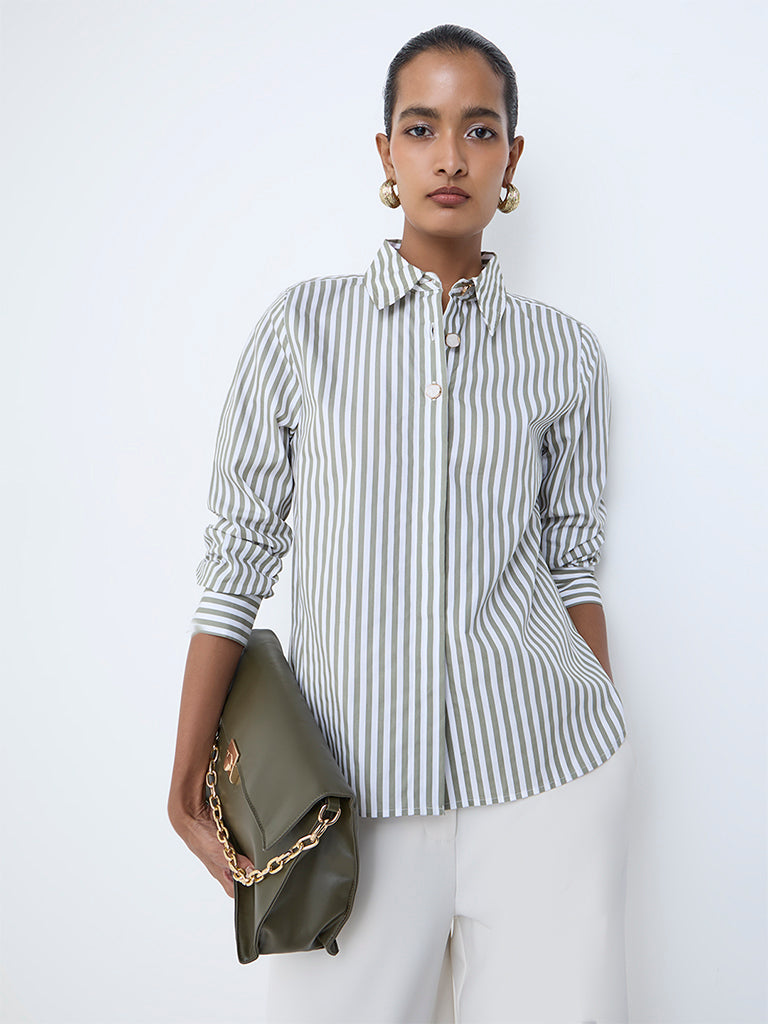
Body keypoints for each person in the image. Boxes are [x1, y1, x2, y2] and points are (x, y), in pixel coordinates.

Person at [168, 22, 636, 1024]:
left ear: (512, 157)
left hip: (545, 783)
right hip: (349, 801)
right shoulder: (301, 331)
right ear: (386, 153)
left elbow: (575, 562)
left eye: (480, 129)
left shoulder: (564, 354)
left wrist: (602, 711)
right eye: (421, 128)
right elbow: (238, 556)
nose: (450, 156)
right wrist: (185, 771)